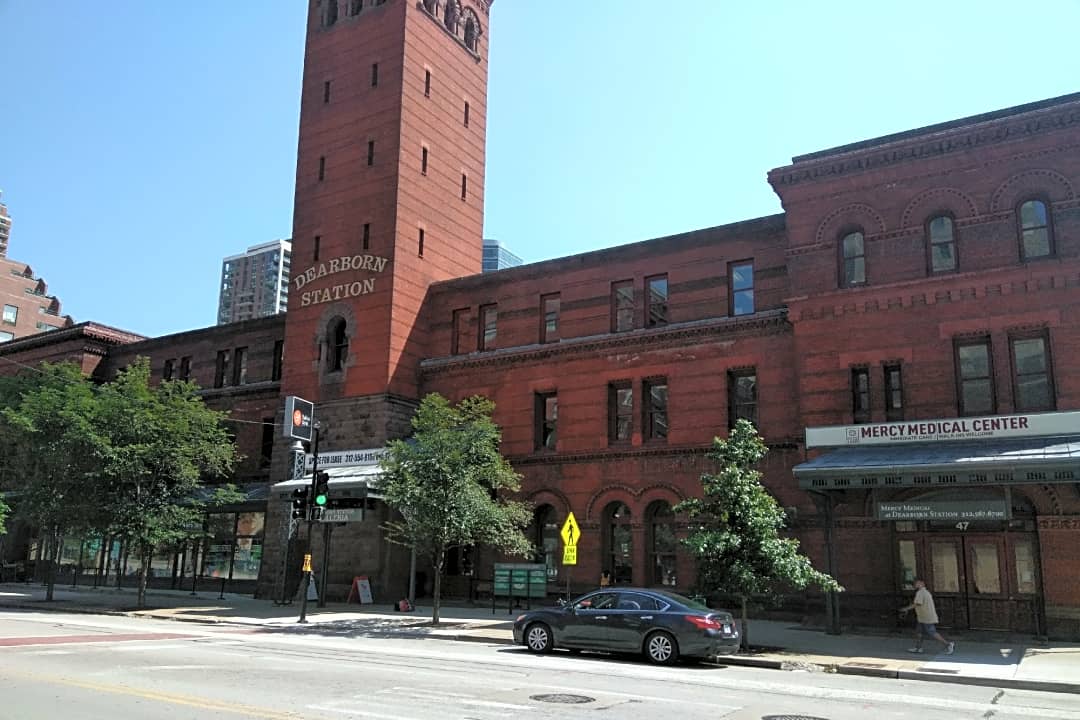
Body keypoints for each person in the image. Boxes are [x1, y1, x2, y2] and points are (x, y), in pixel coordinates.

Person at [899, 579, 955, 655]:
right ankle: (918, 647)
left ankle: (948, 644)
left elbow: (917, 604)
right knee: (919, 632)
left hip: (926, 617)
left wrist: (906, 608)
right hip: (923, 617)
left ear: (922, 584)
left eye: (917, 583)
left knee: (932, 632)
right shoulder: (925, 592)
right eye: (915, 583)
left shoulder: (920, 593)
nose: (915, 585)